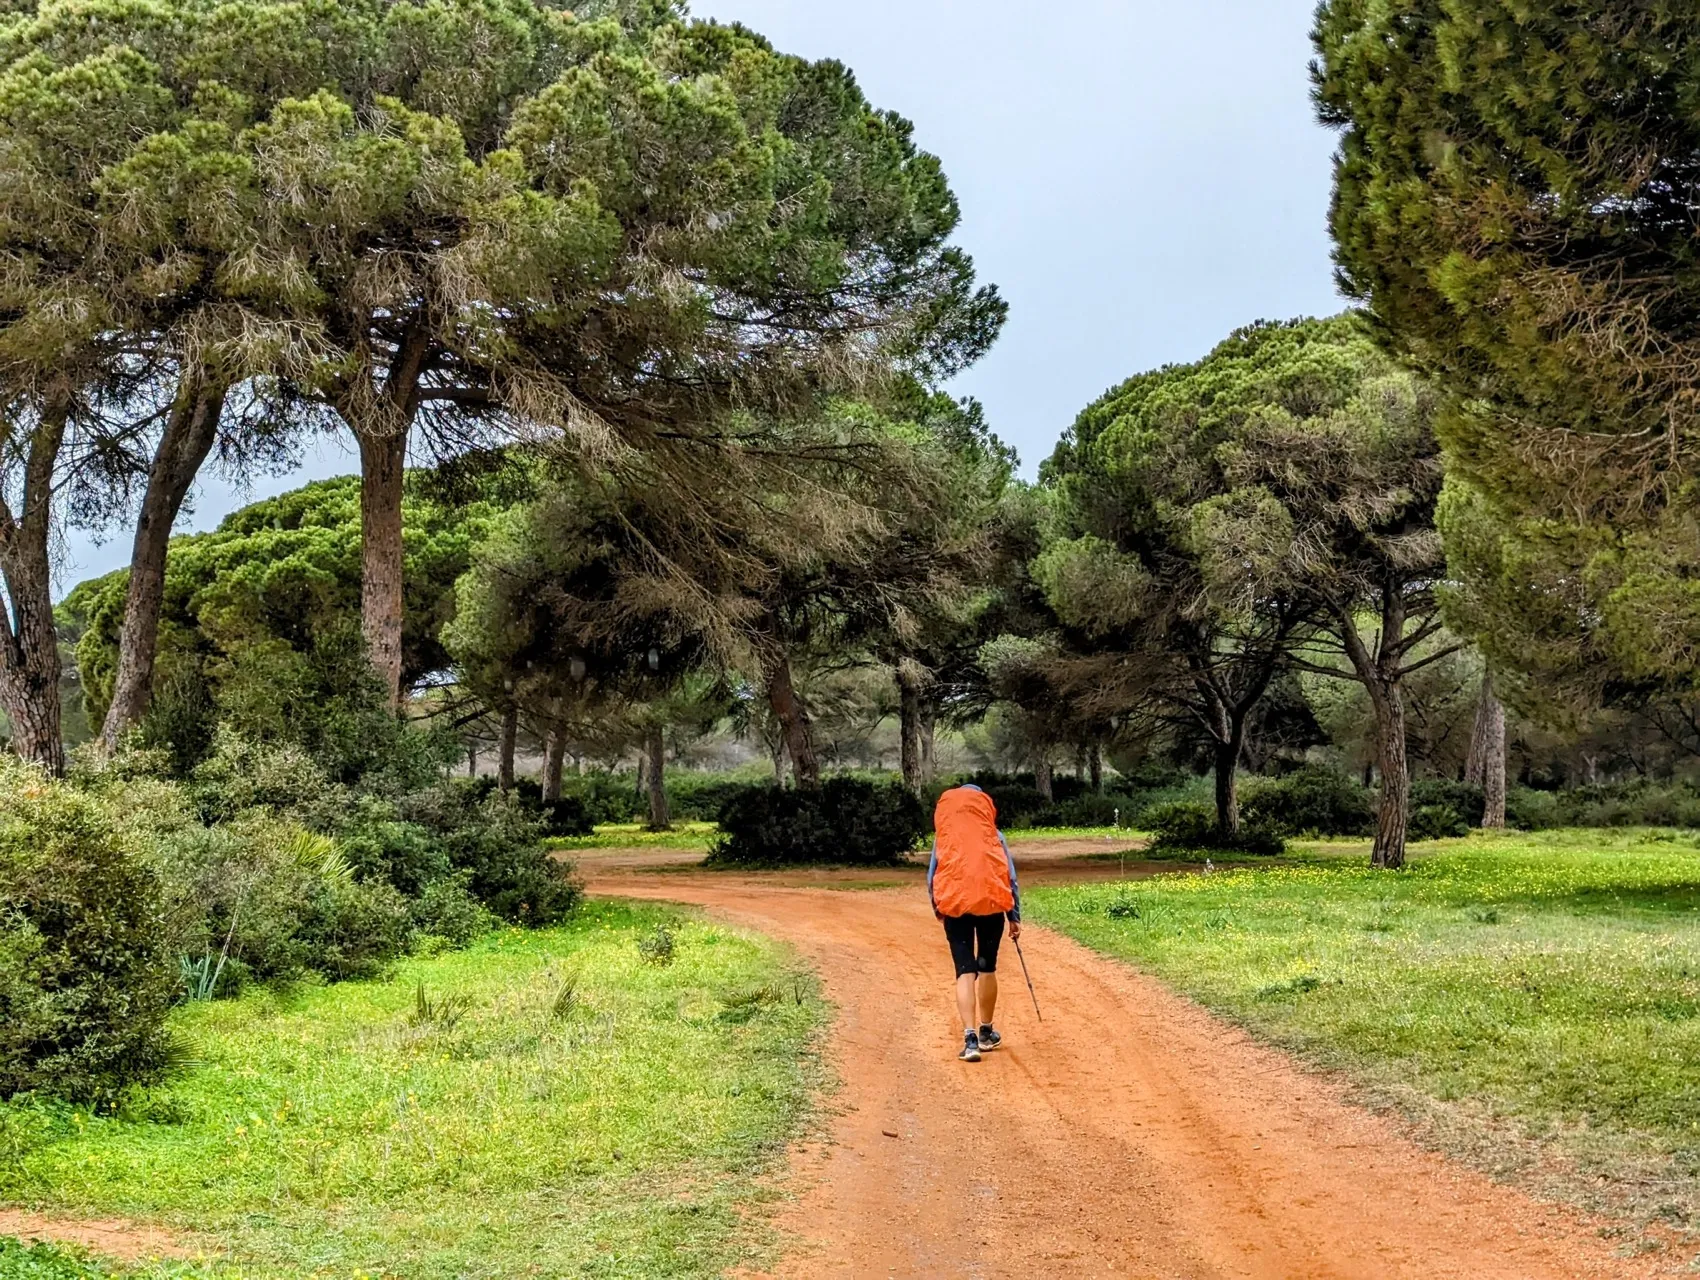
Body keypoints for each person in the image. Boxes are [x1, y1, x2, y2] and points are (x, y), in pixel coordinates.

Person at [927, 783, 1021, 1062]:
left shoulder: (944, 838)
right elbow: (1010, 877)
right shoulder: (995, 835)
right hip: (991, 905)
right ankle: (986, 1031)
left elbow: (932, 876)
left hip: (955, 907)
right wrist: (1013, 916)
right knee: (987, 966)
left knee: (964, 971)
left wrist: (939, 908)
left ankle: (969, 1040)